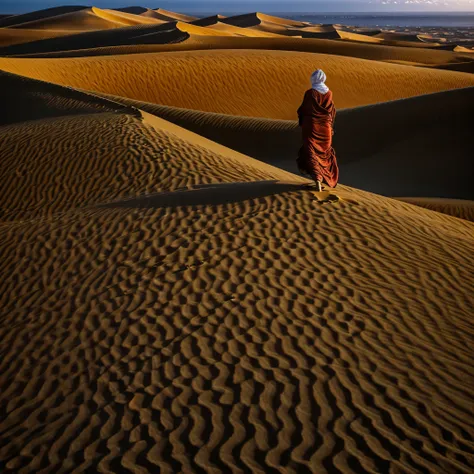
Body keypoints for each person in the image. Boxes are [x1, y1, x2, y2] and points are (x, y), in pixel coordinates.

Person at [297, 69, 339, 192]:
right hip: (326, 129)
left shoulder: (310, 93)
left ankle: (318, 182)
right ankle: (320, 181)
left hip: (312, 128)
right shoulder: (329, 93)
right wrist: (330, 127)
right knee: (324, 154)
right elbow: (332, 112)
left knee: (311, 153)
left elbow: (303, 110)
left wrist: (302, 120)